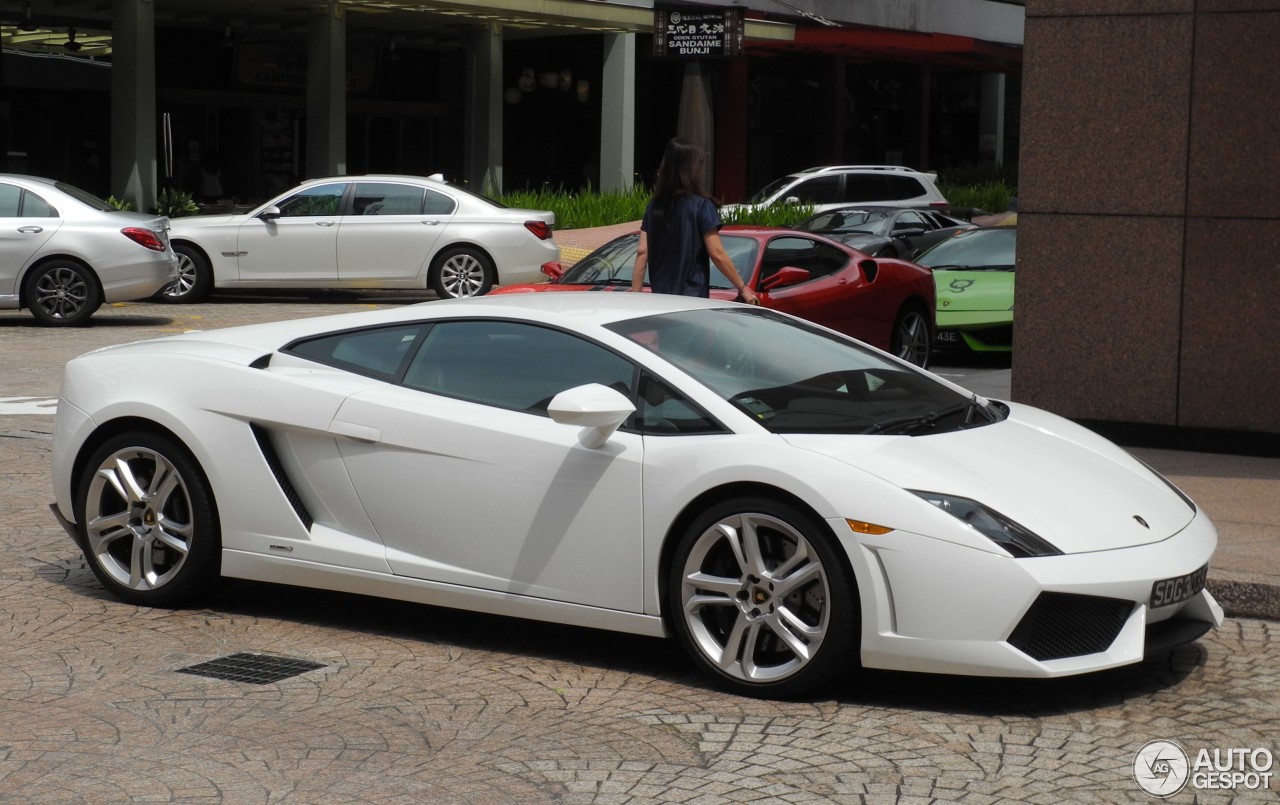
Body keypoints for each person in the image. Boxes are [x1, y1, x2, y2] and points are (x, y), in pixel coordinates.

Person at [630, 138, 758, 304]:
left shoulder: (654, 206)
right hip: (692, 301)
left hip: (660, 300)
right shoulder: (702, 205)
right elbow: (717, 253)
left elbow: (642, 252)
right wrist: (742, 288)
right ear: (692, 168)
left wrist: (634, 296)